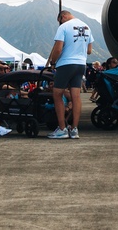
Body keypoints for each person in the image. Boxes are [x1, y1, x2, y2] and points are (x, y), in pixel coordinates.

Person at [47, 10, 94, 139]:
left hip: (66, 64)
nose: (60, 23)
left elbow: (58, 48)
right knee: (76, 96)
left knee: (57, 94)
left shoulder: (64, 27)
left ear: (63, 17)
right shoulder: (87, 27)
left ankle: (62, 128)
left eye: (60, 20)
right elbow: (89, 50)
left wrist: (53, 62)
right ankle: (74, 129)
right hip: (81, 64)